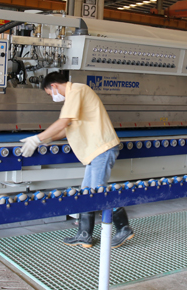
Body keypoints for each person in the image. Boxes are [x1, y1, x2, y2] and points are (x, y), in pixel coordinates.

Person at [20, 71, 134, 249]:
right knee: (86, 192)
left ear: (54, 86)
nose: (53, 97)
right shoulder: (75, 96)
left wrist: (37, 139)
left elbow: (63, 122)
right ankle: (84, 235)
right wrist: (46, 139)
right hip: (94, 151)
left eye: (50, 94)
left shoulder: (76, 91)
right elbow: (66, 129)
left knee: (98, 192)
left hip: (101, 149)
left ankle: (123, 228)